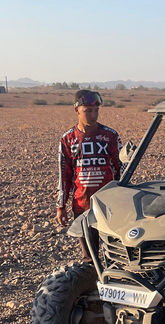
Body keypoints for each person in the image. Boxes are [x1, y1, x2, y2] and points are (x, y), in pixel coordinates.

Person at [56, 90, 123, 262]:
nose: (93, 115)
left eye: (96, 111)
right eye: (88, 111)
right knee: (89, 257)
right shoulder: (68, 139)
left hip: (109, 205)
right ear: (77, 110)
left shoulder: (111, 136)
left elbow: (121, 170)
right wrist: (60, 206)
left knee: (115, 255)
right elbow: (64, 176)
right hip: (82, 206)